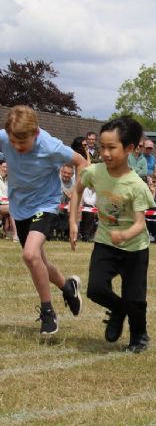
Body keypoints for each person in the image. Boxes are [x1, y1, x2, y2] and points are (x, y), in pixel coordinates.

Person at [69, 116, 155, 352]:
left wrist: (125, 235)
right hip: (105, 242)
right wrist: (73, 221)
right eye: (102, 147)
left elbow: (140, 224)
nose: (105, 153)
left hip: (134, 247)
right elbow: (77, 190)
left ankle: (139, 337)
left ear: (129, 148)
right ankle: (118, 309)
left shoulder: (136, 185)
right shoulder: (95, 172)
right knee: (95, 289)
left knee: (135, 298)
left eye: (111, 147)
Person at [0, 105, 85, 334]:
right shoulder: (5, 137)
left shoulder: (50, 146)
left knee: (30, 254)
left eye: (22, 143)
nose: (16, 148)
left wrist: (76, 202)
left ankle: (48, 312)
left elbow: (82, 163)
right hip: (20, 207)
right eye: (12, 142)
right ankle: (68, 288)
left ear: (35, 133)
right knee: (39, 262)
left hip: (45, 204)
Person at [0, 159, 18, 241]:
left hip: (6, 204)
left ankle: (9, 233)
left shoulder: (8, 179)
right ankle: (15, 235)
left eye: (7, 167)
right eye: (4, 167)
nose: (5, 169)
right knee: (12, 209)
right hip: (2, 204)